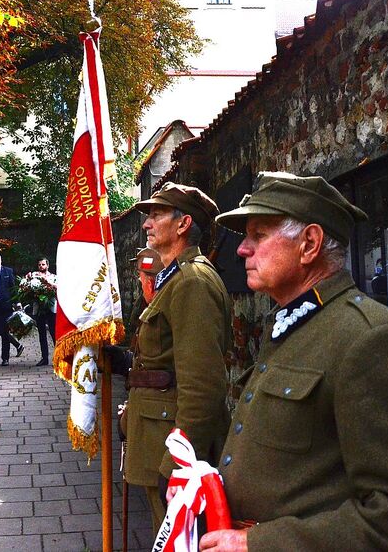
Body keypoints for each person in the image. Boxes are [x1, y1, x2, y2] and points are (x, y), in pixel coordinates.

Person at [200, 171, 388, 551]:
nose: (242, 249)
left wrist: (260, 543)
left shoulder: (372, 341)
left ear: (309, 244)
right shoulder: (294, 324)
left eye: (259, 234)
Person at [122, 182, 232, 531]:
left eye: (156, 215)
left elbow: (203, 389)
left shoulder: (193, 282)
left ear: (183, 224)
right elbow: (163, 361)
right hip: (157, 438)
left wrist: (176, 466)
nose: (146, 224)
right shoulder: (171, 280)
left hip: (173, 450)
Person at [29, 257, 57, 367]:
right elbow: (27, 289)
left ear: (47, 266)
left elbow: (57, 288)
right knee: (41, 333)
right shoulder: (33, 276)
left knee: (53, 333)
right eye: (39, 265)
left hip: (50, 308)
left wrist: (48, 283)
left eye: (43, 264)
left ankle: (58, 356)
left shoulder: (54, 277)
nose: (41, 266)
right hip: (39, 308)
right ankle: (44, 358)